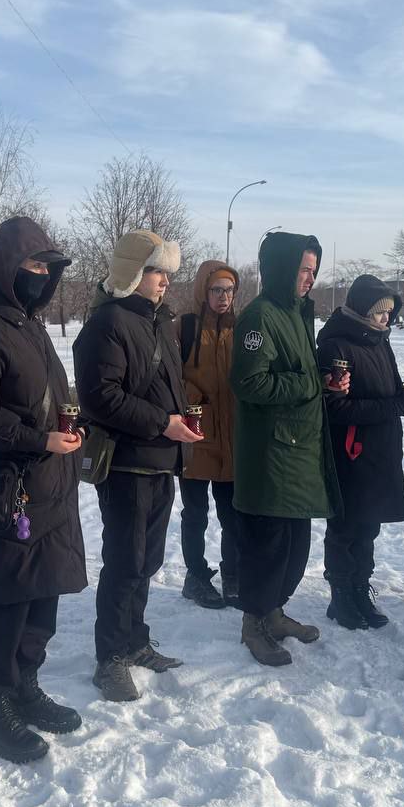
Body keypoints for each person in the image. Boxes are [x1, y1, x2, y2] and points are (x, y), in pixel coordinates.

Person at [0, 216, 86, 764]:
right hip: (5, 492)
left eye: (49, 269)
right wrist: (38, 438)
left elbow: (43, 397)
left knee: (41, 596)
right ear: (9, 267)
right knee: (4, 602)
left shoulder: (29, 325)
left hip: (48, 487)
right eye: (34, 266)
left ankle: (26, 686)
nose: (42, 277)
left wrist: (69, 426)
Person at [74, 229, 202, 702]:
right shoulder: (108, 322)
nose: (165, 280)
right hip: (128, 463)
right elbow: (100, 397)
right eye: (155, 271)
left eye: (167, 272)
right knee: (125, 562)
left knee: (146, 562)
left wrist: (179, 422)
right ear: (131, 271)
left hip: (160, 459)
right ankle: (110, 658)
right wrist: (163, 422)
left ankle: (135, 641)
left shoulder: (156, 320)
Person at [230, 232, 343, 666]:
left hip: (299, 450)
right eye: (303, 269)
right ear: (281, 269)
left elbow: (298, 375)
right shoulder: (259, 317)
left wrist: (322, 382)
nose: (310, 279)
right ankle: (253, 623)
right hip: (272, 455)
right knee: (268, 547)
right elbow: (250, 383)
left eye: (314, 270)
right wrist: (309, 383)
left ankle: (274, 613)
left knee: (295, 548)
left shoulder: (296, 313)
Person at [316, 274, 404, 630]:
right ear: (361, 311)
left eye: (389, 313)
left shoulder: (380, 342)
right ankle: (340, 592)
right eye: (379, 312)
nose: (386, 319)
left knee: (370, 524)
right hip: (350, 452)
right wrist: (394, 407)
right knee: (345, 526)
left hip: (381, 449)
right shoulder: (335, 346)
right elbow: (335, 408)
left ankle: (360, 587)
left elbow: (391, 390)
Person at [177, 259, 242, 608]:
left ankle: (234, 573)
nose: (224, 296)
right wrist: (193, 397)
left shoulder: (241, 328)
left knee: (232, 514)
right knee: (195, 514)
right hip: (197, 436)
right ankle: (196, 576)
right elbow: (168, 373)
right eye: (217, 289)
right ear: (204, 290)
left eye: (229, 290)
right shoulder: (185, 327)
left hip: (232, 438)